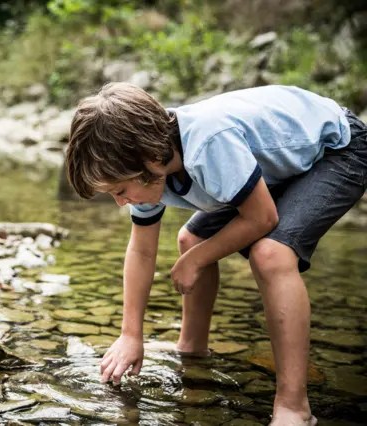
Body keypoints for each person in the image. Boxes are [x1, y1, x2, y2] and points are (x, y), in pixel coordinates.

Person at [64, 82, 367, 426]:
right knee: (191, 239)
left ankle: (294, 407)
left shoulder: (207, 144)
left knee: (271, 255)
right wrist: (131, 333)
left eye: (120, 190)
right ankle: (192, 350)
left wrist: (196, 261)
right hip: (278, 165)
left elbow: (262, 218)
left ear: (150, 160)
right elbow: (142, 250)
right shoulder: (151, 161)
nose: (120, 202)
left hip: (337, 149)